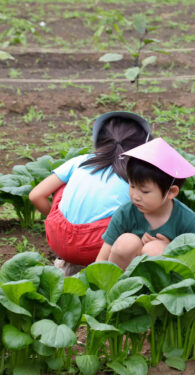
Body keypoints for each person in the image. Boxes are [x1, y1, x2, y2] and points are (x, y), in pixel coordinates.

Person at [29, 111, 151, 276]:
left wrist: (59, 221)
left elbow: (36, 195)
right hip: (102, 245)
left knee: (62, 187)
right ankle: (115, 272)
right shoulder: (138, 174)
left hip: (59, 239)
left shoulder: (80, 161)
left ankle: (68, 264)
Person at [95, 138, 195, 269]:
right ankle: (114, 285)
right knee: (126, 243)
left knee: (154, 250)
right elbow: (102, 259)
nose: (135, 196)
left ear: (171, 192)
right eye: (132, 186)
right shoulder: (125, 213)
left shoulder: (187, 220)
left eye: (145, 191)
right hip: (124, 285)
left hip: (166, 284)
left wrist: (173, 249)